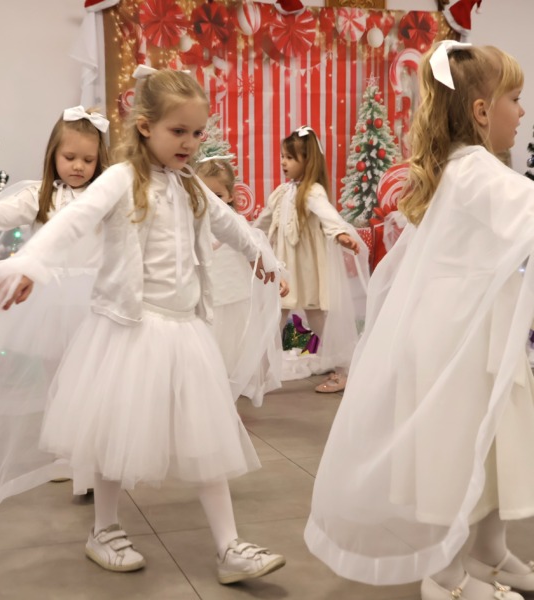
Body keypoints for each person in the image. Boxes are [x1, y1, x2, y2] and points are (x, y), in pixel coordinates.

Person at [0, 67, 286, 584]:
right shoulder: (121, 179)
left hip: (184, 330)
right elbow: (71, 222)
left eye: (197, 132)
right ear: (146, 127)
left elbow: (231, 223)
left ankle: (228, 546)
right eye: (179, 131)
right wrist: (30, 263)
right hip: (129, 328)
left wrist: (262, 257)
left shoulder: (191, 185)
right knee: (113, 434)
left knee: (206, 438)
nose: (190, 143)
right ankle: (104, 529)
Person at [304, 41, 534, 600]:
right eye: (514, 98)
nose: (522, 111)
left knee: (489, 445)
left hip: (469, 335)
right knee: (456, 454)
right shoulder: (477, 172)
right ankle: (445, 575)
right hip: (459, 343)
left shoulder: (463, 170)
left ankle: (489, 552)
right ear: (481, 111)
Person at [0, 106, 109, 510]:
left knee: (88, 381)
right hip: (50, 297)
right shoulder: (40, 195)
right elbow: (2, 212)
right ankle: (66, 452)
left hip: (94, 300)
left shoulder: (104, 197)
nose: (78, 166)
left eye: (88, 159)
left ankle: (90, 462)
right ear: (53, 155)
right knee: (56, 383)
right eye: (70, 157)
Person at [253, 125, 368, 393]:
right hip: (285, 270)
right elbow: (263, 221)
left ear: (307, 161)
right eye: (283, 156)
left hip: (307, 271)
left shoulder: (312, 192)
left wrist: (340, 233)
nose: (283, 162)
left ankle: (346, 368)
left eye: (290, 157)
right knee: (274, 319)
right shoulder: (282, 193)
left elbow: (328, 214)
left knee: (317, 320)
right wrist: (246, 237)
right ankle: (257, 374)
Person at [195, 155, 286, 406]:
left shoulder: (235, 223)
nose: (213, 202)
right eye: (206, 195)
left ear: (230, 195)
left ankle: (226, 396)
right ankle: (208, 393)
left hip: (235, 297)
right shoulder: (194, 224)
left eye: (218, 195)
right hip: (208, 298)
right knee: (207, 348)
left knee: (232, 349)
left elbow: (257, 246)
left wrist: (276, 272)